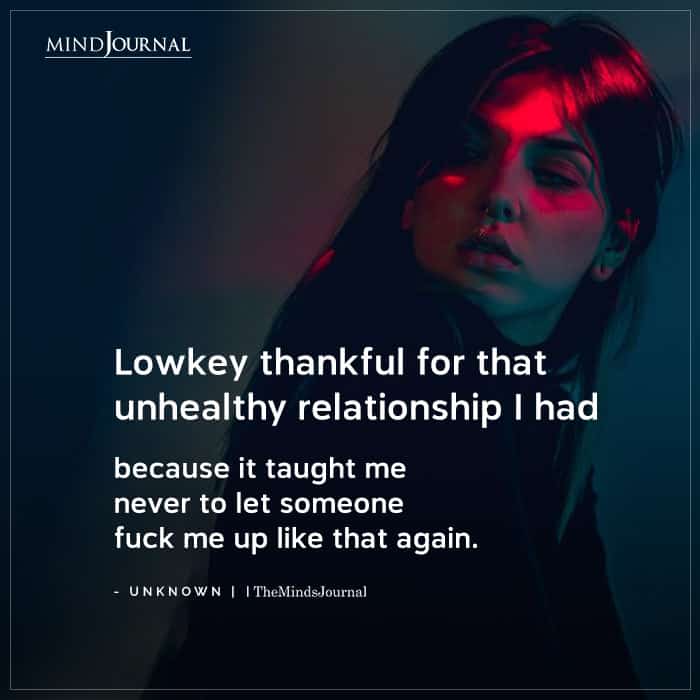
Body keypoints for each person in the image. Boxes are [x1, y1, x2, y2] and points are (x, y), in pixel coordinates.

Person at [146, 14, 682, 693]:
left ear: (615, 242)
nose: (498, 197)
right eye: (463, 154)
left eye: (552, 173)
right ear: (409, 197)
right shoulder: (385, 370)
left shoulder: (536, 413)